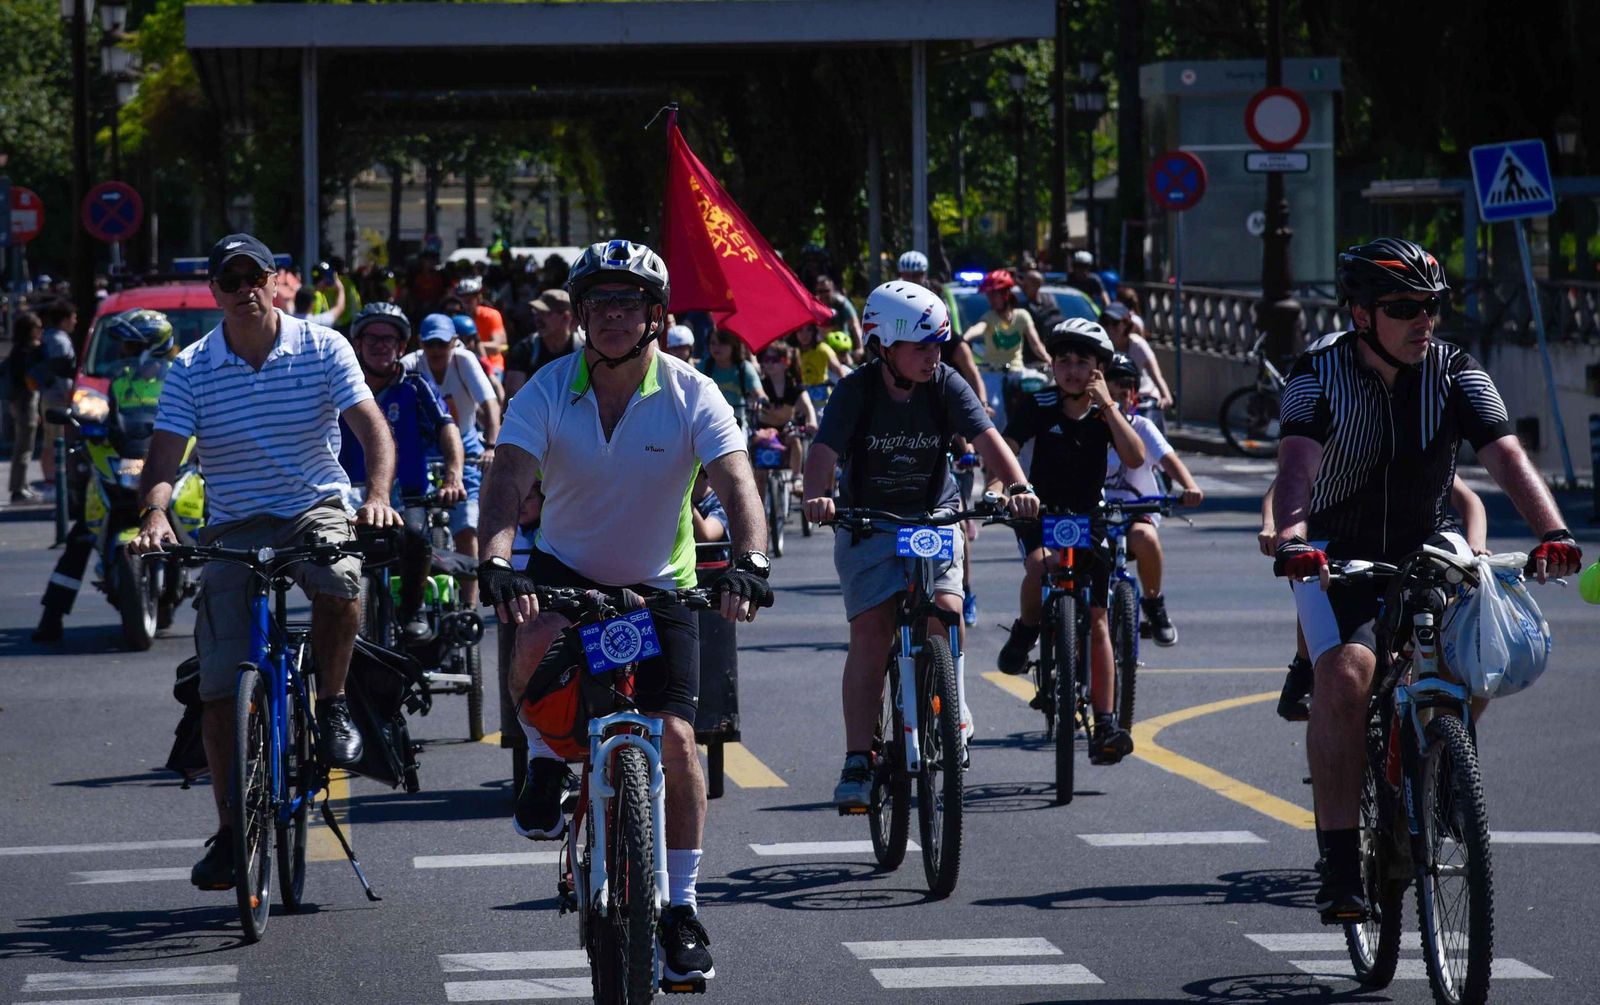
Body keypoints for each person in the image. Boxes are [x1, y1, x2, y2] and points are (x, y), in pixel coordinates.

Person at [477, 239, 772, 987]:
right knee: (530, 630)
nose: (613, 315)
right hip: (565, 576)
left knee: (677, 739)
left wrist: (751, 560)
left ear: (655, 315)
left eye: (628, 302)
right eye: (599, 303)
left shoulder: (691, 391)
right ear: (579, 315)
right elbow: (509, 477)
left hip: (659, 584)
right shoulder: (546, 387)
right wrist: (496, 558)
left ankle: (682, 907)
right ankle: (545, 761)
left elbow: (737, 483)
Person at [1270, 237, 1582, 924]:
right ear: (1360, 314)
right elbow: (1295, 470)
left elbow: (1505, 455)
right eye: (1404, 307)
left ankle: (1442, 775)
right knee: (1345, 678)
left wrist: (1553, 532)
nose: (1424, 321)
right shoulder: (1316, 377)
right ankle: (1342, 865)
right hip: (1339, 548)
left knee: (1472, 655)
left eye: (1432, 307)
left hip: (1427, 539)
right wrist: (1293, 541)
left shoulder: (1457, 373)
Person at [128, 233, 402, 891]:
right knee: (218, 685)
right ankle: (231, 831)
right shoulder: (191, 367)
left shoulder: (322, 346)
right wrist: (156, 514)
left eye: (255, 275)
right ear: (216, 292)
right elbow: (164, 458)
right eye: (231, 280)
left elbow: (371, 428)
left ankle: (332, 704)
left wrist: (378, 497)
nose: (244, 289)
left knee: (341, 580)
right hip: (233, 523)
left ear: (275, 279)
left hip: (314, 506)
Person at [801, 281, 1040, 809]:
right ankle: (858, 759)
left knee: (948, 612)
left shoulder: (946, 384)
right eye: (920, 347)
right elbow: (822, 453)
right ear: (883, 346)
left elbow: (988, 440)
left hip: (933, 513)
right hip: (868, 520)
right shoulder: (856, 391)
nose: (933, 356)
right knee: (871, 630)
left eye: (938, 345)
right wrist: (817, 498)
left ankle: (949, 704)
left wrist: (1019, 486)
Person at [993, 319, 1145, 764]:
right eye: (1064, 362)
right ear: (1053, 365)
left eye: (1083, 363)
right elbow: (1008, 445)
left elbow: (1135, 457)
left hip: (1087, 516)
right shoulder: (1039, 403)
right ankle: (1025, 632)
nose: (1072, 371)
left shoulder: (1106, 411)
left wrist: (1110, 408)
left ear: (1100, 368)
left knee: (1098, 617)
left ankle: (1105, 724)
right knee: (1040, 565)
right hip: (1038, 509)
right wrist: (1003, 491)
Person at [32, 310, 178, 643]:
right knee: (82, 534)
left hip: (162, 460)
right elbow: (106, 414)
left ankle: (236, 617)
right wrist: (90, 424)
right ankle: (51, 617)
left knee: (218, 525)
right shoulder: (119, 379)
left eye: (129, 345)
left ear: (150, 346)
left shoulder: (175, 379)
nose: (123, 352)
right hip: (125, 457)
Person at [339, 302, 468, 643]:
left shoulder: (415, 384)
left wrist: (454, 476)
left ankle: (412, 609)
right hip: (346, 495)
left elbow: (448, 429)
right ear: (357, 343)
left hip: (406, 495)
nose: (381, 344)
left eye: (390, 338)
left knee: (416, 535)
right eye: (373, 337)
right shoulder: (339, 384)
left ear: (401, 347)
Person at [1101, 353, 1203, 646]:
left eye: (1126, 388)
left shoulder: (1142, 427)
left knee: (1145, 538)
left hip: (1138, 509)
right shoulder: (1090, 426)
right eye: (1113, 387)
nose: (1120, 395)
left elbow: (1168, 459)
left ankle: (1154, 602)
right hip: (1098, 512)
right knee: (1091, 550)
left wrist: (1189, 486)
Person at [403, 313, 501, 608]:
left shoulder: (464, 361)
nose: (436, 350)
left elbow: (489, 403)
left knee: (466, 525)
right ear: (421, 343)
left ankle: (469, 606)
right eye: (430, 343)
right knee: (406, 522)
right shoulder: (409, 364)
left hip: (467, 445)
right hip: (424, 449)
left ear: (454, 342)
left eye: (442, 343)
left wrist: (492, 445)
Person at [960, 270, 1049, 432]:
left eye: (994, 295)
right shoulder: (989, 317)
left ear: (1006, 294)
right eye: (989, 295)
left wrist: (1051, 361)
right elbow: (978, 328)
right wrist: (963, 339)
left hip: (1017, 372)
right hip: (993, 375)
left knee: (1043, 388)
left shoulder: (1022, 315)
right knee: (993, 414)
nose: (990, 299)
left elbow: (1036, 344)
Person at [751, 341, 817, 496]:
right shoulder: (762, 385)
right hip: (765, 431)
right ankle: (760, 513)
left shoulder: (793, 385)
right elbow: (753, 400)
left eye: (774, 360)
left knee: (795, 439)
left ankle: (796, 477)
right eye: (766, 359)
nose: (769, 363)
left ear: (785, 363)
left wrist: (812, 421)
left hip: (786, 429)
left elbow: (808, 406)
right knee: (760, 475)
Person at [32, 298, 77, 491]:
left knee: (51, 437)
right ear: (65, 319)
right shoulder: (59, 340)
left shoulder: (50, 336)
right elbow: (60, 371)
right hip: (57, 395)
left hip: (49, 394)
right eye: (74, 317)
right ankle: (52, 479)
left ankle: (51, 477)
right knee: (56, 439)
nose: (76, 321)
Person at [504, 289, 582, 397]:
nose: (537, 318)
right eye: (536, 312)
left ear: (566, 318)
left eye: (545, 313)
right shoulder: (525, 350)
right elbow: (512, 395)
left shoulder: (584, 351)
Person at [1103, 302, 1172, 413]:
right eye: (1106, 323)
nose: (1110, 327)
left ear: (1125, 324)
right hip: (1112, 401)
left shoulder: (1137, 344)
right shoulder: (1102, 346)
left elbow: (1157, 376)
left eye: (1115, 323)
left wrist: (1166, 397)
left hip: (1142, 399)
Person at [8, 311, 44, 503]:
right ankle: (17, 488)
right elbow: (28, 379)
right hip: (24, 401)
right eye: (37, 327)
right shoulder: (24, 353)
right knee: (23, 447)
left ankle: (21, 485)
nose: (40, 331)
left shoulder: (20, 351)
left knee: (25, 446)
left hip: (24, 401)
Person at [702, 329, 766, 430]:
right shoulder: (703, 367)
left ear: (734, 345)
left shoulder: (744, 368)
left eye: (722, 342)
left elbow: (760, 394)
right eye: (713, 343)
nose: (716, 347)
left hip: (738, 424)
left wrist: (760, 401)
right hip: (708, 423)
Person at [1018, 269, 1062, 367]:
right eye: (1023, 285)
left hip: (1050, 355)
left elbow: (1053, 320)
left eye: (1026, 285)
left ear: (1037, 285)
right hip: (1029, 360)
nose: (1023, 288)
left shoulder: (1049, 300)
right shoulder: (1019, 305)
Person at [812, 274, 863, 355]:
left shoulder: (841, 303)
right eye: (820, 291)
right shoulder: (814, 305)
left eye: (826, 291)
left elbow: (855, 325)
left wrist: (860, 348)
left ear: (832, 289)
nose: (823, 295)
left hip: (842, 347)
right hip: (822, 347)